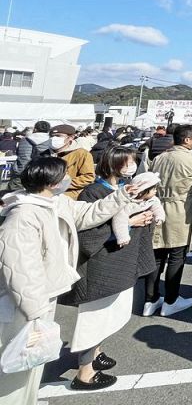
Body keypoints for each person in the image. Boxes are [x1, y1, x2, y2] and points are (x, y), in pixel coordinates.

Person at [0, 157, 141, 402]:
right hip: (23, 304)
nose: (70, 178)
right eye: (65, 175)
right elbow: (20, 271)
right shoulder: (23, 216)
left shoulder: (55, 202)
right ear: (53, 182)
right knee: (16, 367)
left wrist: (123, 195)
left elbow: (88, 213)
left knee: (32, 365)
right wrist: (35, 314)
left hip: (41, 297)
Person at [68, 147, 157, 391]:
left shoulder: (124, 189)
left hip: (119, 262)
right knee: (95, 316)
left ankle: (95, 353)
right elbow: (87, 235)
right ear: (114, 164)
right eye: (128, 163)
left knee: (109, 314)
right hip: (101, 265)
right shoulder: (93, 192)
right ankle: (85, 372)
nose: (132, 167)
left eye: (134, 163)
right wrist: (129, 223)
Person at [143, 125, 192, 317]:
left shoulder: (159, 157)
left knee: (157, 256)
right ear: (186, 140)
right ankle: (171, 300)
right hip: (180, 209)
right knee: (177, 256)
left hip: (157, 207)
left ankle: (150, 299)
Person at [110, 172, 165, 247]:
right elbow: (119, 219)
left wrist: (159, 216)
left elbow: (157, 207)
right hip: (130, 237)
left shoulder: (152, 199)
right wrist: (123, 237)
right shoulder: (129, 204)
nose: (155, 191)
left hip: (143, 236)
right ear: (142, 191)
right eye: (153, 189)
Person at [44, 124, 95, 200]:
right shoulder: (44, 154)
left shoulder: (82, 154)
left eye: (58, 136)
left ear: (71, 137)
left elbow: (88, 177)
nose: (53, 138)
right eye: (51, 136)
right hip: (45, 194)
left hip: (69, 196)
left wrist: (62, 184)